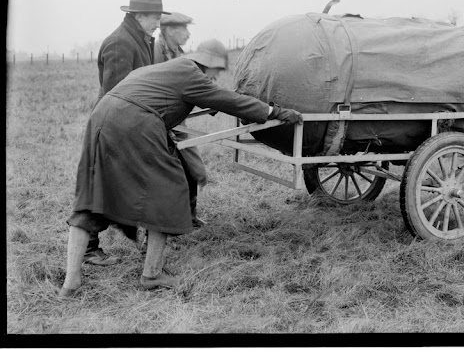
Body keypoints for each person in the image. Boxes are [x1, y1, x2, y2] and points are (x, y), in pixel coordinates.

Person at [59, 39, 302, 296]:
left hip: (101, 118)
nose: (217, 76)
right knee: (169, 190)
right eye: (217, 71)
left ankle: (70, 283)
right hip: (135, 123)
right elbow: (228, 99)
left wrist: (209, 100)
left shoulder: (165, 69)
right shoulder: (190, 73)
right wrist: (273, 111)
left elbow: (185, 96)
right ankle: (152, 274)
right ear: (208, 64)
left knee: (94, 194)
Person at [85, 0, 169, 267]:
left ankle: (147, 240)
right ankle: (88, 249)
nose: (158, 23)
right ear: (139, 16)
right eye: (155, 18)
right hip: (116, 127)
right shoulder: (121, 44)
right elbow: (119, 95)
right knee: (105, 185)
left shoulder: (142, 40)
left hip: (132, 123)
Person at [154, 12, 207, 228]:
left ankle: (189, 215)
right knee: (171, 172)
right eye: (184, 29)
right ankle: (167, 223)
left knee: (192, 168)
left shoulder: (177, 51)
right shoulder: (156, 51)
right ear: (169, 31)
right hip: (161, 120)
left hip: (177, 121)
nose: (188, 34)